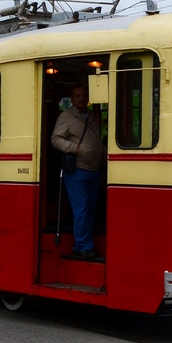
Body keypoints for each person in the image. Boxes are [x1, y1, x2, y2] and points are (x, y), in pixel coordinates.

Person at [51, 84, 105, 259]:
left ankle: (84, 243)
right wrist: (75, 148)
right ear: (72, 99)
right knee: (81, 209)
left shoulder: (90, 117)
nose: (81, 98)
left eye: (84, 95)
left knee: (90, 209)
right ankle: (83, 245)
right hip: (77, 170)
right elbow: (56, 139)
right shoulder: (66, 117)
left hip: (94, 170)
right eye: (77, 96)